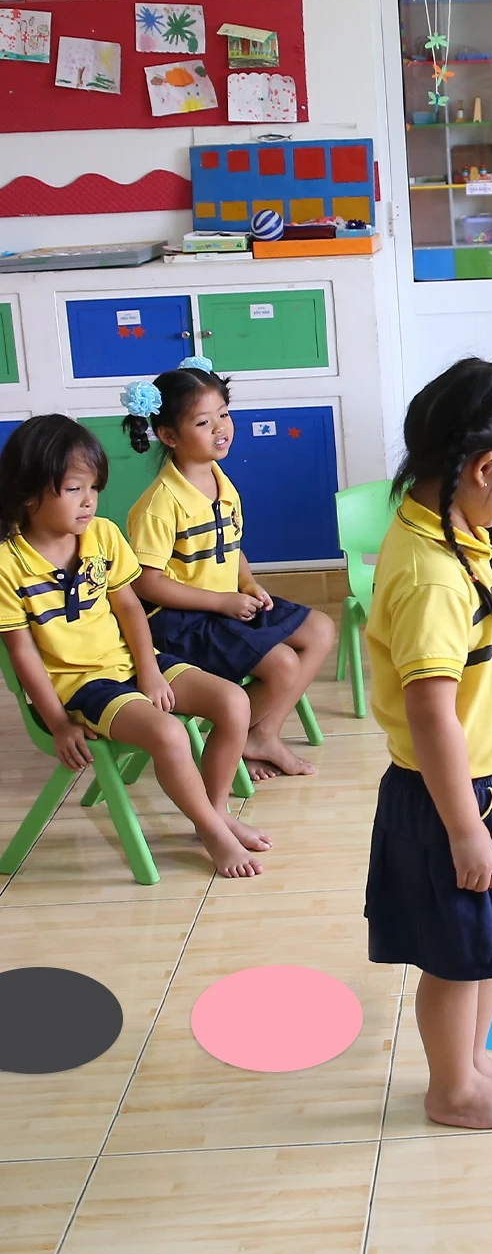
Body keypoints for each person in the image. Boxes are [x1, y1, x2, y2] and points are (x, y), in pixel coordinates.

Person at [364, 358, 492, 1130]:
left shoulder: (461, 532)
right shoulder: (431, 575)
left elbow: (487, 677)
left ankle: (472, 1064)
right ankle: (451, 1088)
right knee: (456, 957)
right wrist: (463, 828)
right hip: (455, 800)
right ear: (484, 467)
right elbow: (431, 715)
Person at [0, 415, 265, 876]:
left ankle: (215, 810)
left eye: (93, 488)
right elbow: (22, 654)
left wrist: (150, 671)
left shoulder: (102, 534)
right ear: (27, 493)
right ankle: (211, 830)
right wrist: (58, 723)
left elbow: (128, 609)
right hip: (81, 687)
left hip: (132, 663)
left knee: (234, 701)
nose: (89, 501)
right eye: (73, 489)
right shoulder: (8, 563)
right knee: (169, 734)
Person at [123, 359, 336, 782]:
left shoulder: (221, 481)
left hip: (226, 606)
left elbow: (231, 545)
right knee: (281, 665)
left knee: (321, 630)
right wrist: (221, 601)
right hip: (182, 622)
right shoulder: (159, 504)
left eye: (223, 414)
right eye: (203, 422)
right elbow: (146, 583)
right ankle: (234, 738)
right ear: (168, 435)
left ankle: (262, 735)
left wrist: (247, 582)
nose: (221, 428)